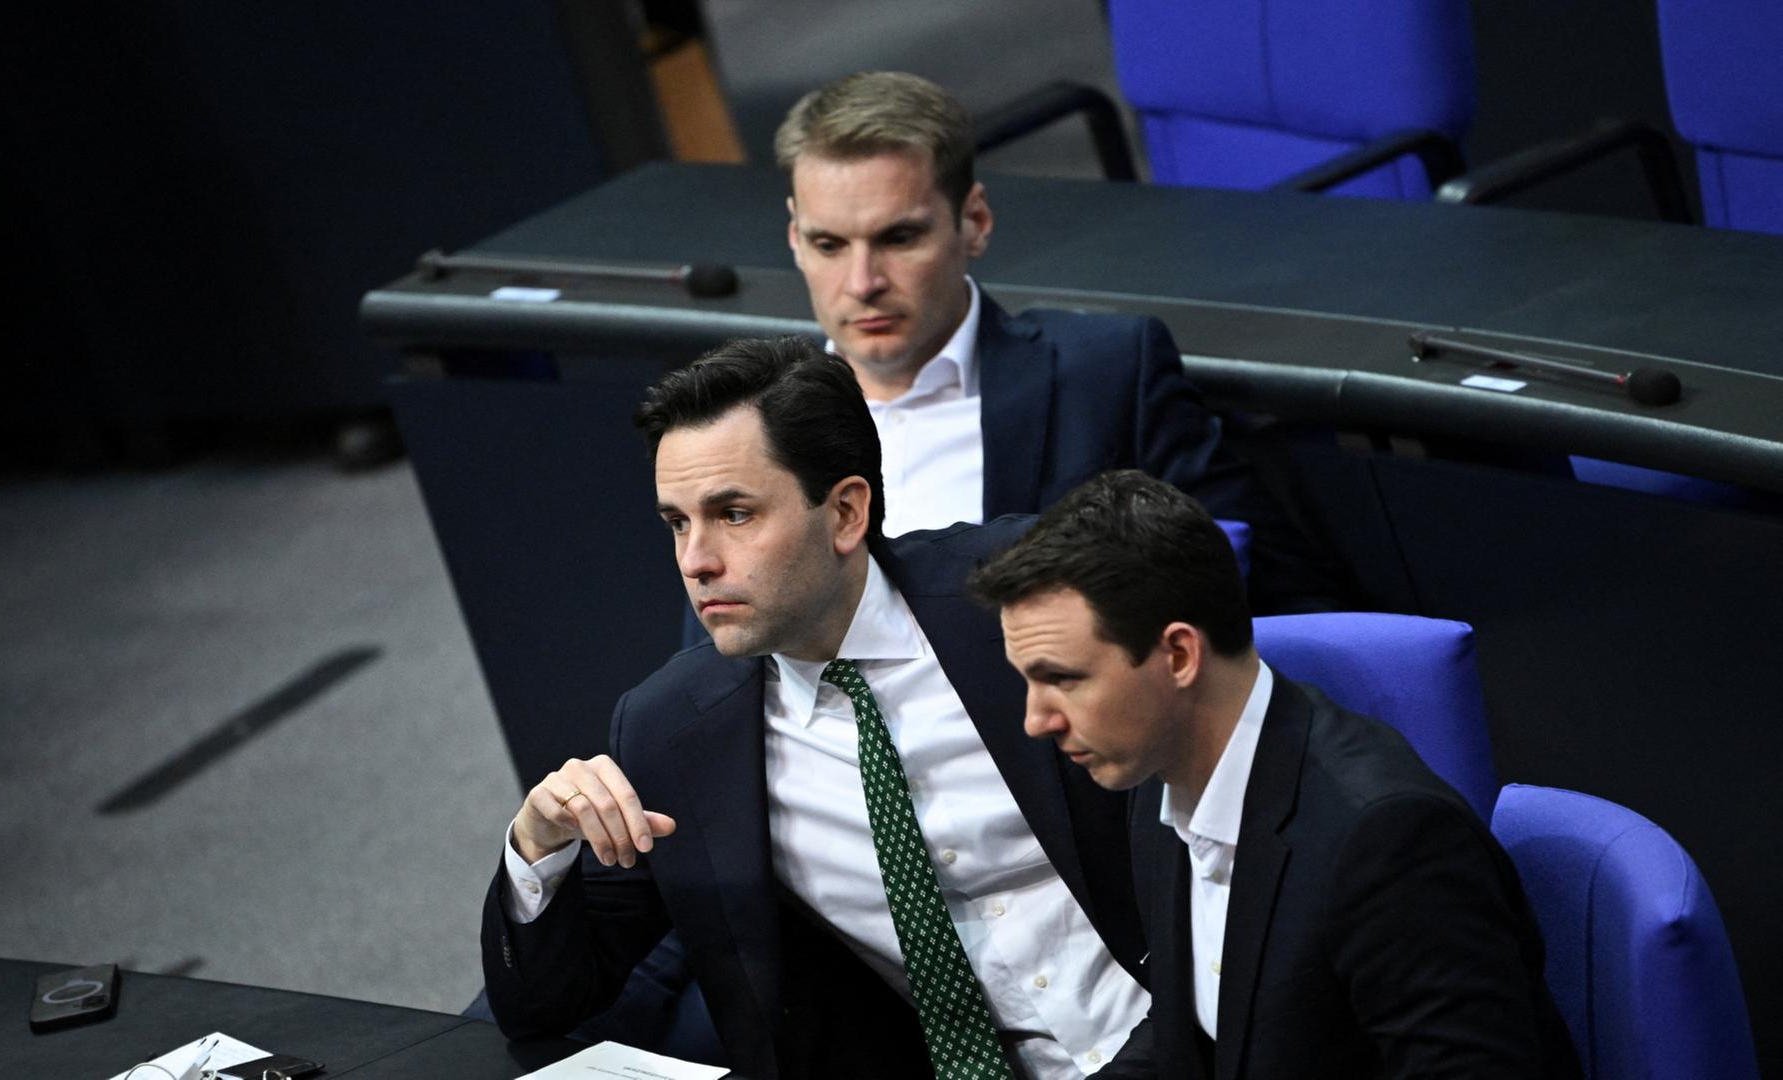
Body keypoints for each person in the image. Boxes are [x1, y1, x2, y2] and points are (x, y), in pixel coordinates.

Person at [482, 337, 1152, 1079]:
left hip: (1181, 1033)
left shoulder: (1028, 600)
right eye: (677, 523)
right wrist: (537, 846)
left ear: (845, 512)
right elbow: (543, 1007)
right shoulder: (672, 731)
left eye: (734, 514)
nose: (696, 561)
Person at [970, 471, 1579, 1078]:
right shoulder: (1157, 781)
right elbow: (1193, 1030)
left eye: (1062, 679)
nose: (1035, 720)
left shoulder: (1387, 841)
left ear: (1179, 655)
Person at [775, 71, 1339, 614]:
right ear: (796, 237)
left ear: (975, 222)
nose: (863, 283)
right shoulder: (756, 412)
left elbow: (1282, 596)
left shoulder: (1105, 377)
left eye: (899, 238)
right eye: (829, 245)